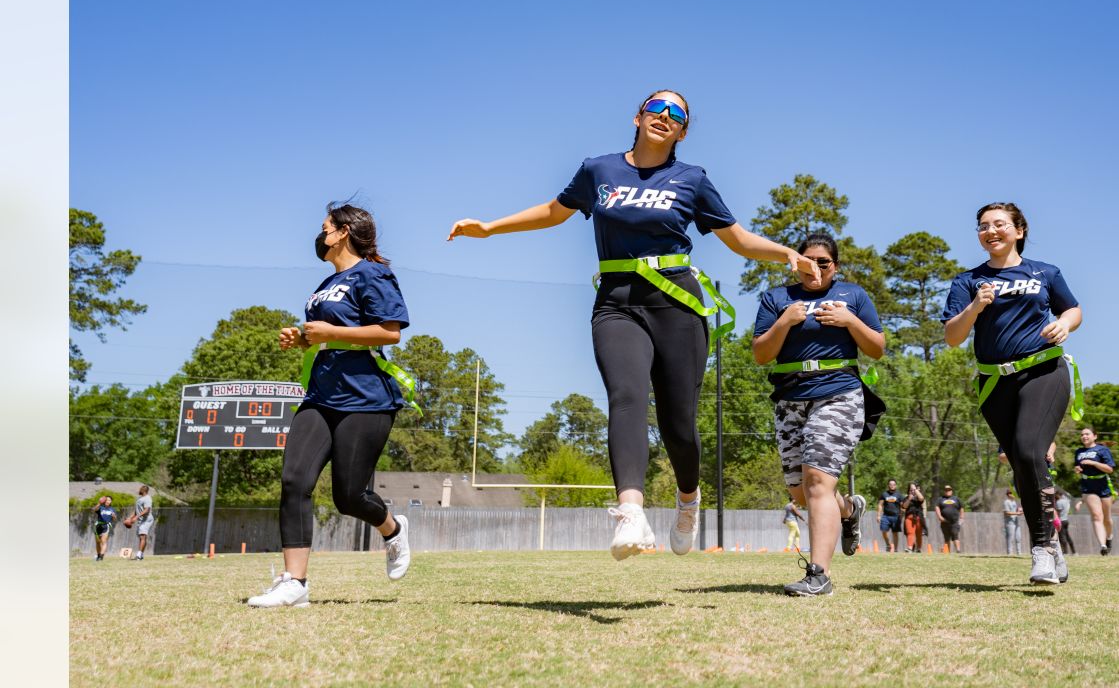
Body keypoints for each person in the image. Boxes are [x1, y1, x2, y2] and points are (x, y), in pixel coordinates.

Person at [450, 90, 819, 562]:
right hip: (616, 302)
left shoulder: (692, 179)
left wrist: (786, 253)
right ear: (638, 117)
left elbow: (739, 239)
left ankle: (689, 499)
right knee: (625, 396)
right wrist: (488, 227)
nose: (664, 117)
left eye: (676, 114)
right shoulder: (598, 170)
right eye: (656, 109)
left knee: (677, 422)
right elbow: (552, 211)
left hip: (677, 303)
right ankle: (630, 510)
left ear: (683, 131)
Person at [248, 202, 417, 608]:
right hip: (320, 396)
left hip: (366, 399)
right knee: (294, 481)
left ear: (342, 232)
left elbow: (389, 333)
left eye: (324, 227)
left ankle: (393, 531)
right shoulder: (325, 283)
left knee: (348, 496)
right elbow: (326, 334)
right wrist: (302, 338)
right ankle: (295, 584)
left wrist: (330, 329)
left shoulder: (373, 273)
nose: (319, 234)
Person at [942, 202, 1082, 584]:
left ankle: (1041, 550)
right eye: (983, 226)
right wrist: (975, 306)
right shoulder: (967, 281)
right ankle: (1051, 542)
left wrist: (1064, 324)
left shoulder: (1045, 272)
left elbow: (1073, 310)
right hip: (994, 383)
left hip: (1043, 371)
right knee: (1021, 463)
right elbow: (953, 337)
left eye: (999, 224)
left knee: (1027, 450)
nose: (991, 231)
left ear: (1019, 230)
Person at [752, 232, 884, 595]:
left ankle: (818, 574)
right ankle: (847, 511)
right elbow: (761, 355)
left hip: (839, 393)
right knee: (800, 493)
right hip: (790, 398)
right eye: (807, 260)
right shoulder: (777, 299)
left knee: (816, 480)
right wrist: (785, 321)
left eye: (823, 262)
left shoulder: (852, 296)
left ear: (835, 266)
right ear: (796, 262)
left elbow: (877, 348)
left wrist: (850, 322)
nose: (815, 268)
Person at [1074, 428, 1116, 555]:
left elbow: (1109, 469)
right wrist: (1077, 469)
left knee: (1107, 519)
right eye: (1082, 434)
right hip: (1088, 486)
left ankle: (1109, 538)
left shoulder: (1103, 450)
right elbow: (1078, 467)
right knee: (1097, 516)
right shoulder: (1079, 452)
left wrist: (1093, 463)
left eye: (1087, 434)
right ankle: (1103, 546)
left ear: (1095, 436)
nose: (1084, 436)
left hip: (1103, 485)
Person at [934, 485, 964, 554]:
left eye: (949, 490)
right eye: (946, 490)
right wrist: (939, 517)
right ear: (944, 491)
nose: (947, 491)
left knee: (955, 534)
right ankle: (947, 552)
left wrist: (962, 517)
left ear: (951, 491)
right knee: (946, 537)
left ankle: (958, 551)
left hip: (954, 521)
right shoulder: (940, 499)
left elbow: (961, 508)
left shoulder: (956, 499)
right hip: (944, 521)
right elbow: (937, 507)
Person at [877, 479, 903, 554]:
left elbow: (903, 506)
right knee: (884, 531)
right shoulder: (884, 494)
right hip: (886, 516)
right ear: (888, 485)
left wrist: (901, 515)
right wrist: (878, 515)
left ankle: (895, 549)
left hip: (896, 516)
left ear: (896, 485)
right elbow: (880, 504)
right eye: (890, 484)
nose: (892, 486)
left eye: (893, 484)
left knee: (895, 533)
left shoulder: (899, 495)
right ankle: (888, 545)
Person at [901, 482, 928, 553]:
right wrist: (909, 499)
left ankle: (918, 548)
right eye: (910, 490)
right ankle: (910, 548)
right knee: (910, 532)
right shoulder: (906, 498)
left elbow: (921, 499)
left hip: (918, 517)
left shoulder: (918, 498)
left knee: (919, 534)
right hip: (909, 517)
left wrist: (915, 490)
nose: (912, 491)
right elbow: (904, 506)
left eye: (913, 489)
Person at [130, 485, 154, 560]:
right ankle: (141, 555)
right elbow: (136, 510)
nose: (139, 490)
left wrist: (136, 517)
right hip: (141, 520)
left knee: (142, 536)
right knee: (142, 538)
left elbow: (147, 510)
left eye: (140, 489)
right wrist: (130, 518)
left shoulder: (147, 498)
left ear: (143, 490)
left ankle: (138, 555)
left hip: (146, 519)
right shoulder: (140, 499)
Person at [92, 496, 116, 561]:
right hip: (98, 525)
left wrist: (114, 516)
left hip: (106, 526)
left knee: (104, 541)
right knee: (97, 542)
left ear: (111, 501)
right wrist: (99, 503)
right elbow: (94, 509)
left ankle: (101, 557)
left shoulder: (112, 509)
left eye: (109, 500)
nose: (107, 501)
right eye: (106, 500)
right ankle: (98, 555)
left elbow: (114, 519)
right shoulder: (101, 507)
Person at [1003, 489, 1024, 556]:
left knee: (1018, 537)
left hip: (1016, 522)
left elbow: (1016, 510)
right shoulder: (1006, 502)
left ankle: (1019, 552)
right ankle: (1010, 553)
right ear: (1008, 494)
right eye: (1012, 493)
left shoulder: (1014, 502)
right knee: (1010, 538)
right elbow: (1006, 513)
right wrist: (1017, 513)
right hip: (1009, 523)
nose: (1013, 495)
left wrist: (1019, 510)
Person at [1055, 489, 1076, 554]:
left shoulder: (1059, 502)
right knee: (1067, 536)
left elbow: (1058, 512)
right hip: (1066, 520)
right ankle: (1074, 552)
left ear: (1058, 495)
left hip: (1061, 520)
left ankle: (1065, 552)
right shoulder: (1067, 501)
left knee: (1062, 537)